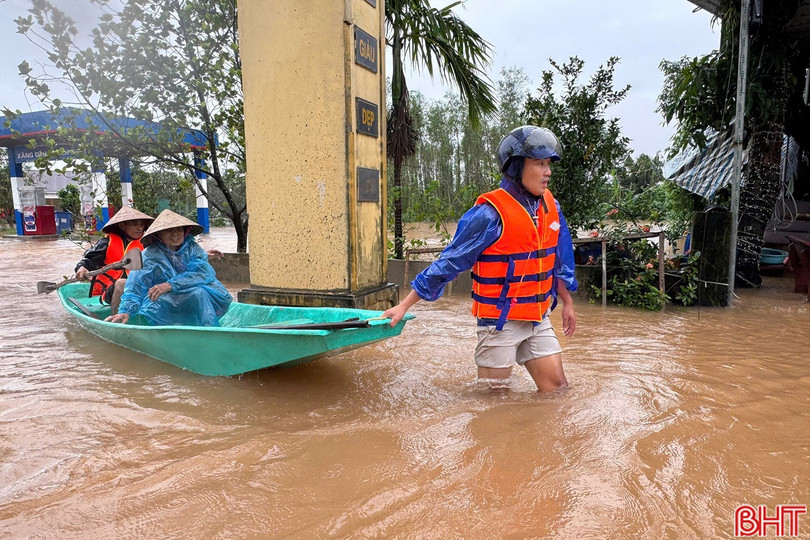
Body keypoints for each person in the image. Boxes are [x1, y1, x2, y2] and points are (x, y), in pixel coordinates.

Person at [383, 125, 578, 392]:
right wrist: (404, 306)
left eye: (548, 164)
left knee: (558, 390)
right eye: (540, 164)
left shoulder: (550, 206)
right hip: (499, 322)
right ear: (517, 167)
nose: (548, 172)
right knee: (492, 403)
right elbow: (450, 262)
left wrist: (566, 302)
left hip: (537, 316)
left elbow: (560, 259)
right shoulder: (489, 215)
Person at [105, 209, 233, 326]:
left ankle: (207, 329)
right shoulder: (149, 256)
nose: (175, 234)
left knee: (199, 292)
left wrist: (170, 285)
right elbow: (136, 286)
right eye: (169, 230)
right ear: (159, 234)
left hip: (192, 297)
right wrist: (126, 311)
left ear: (185, 230)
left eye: (179, 229)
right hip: (166, 302)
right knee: (135, 291)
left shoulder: (193, 249)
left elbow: (202, 273)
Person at [74, 206, 154, 315]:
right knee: (122, 284)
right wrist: (82, 268)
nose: (139, 228)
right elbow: (90, 261)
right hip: (108, 290)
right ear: (122, 225)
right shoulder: (107, 242)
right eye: (134, 224)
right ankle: (115, 321)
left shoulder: (147, 243)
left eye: (141, 224)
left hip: (137, 287)